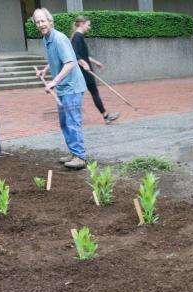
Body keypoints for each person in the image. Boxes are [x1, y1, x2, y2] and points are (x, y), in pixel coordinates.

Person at [33, 8, 88, 170]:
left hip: (72, 87)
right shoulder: (46, 38)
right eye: (38, 22)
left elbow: (70, 63)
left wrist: (53, 82)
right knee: (64, 122)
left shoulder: (59, 38)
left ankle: (80, 157)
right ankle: (73, 152)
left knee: (72, 121)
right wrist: (45, 70)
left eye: (43, 21)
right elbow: (55, 58)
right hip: (63, 87)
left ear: (50, 22)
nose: (41, 24)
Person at [70, 16, 120, 125]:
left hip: (85, 71)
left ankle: (106, 116)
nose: (89, 27)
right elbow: (74, 55)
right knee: (81, 95)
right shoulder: (77, 37)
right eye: (88, 24)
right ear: (82, 24)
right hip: (83, 73)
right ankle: (72, 118)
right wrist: (84, 64)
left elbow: (85, 55)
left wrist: (95, 62)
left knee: (90, 93)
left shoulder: (79, 37)